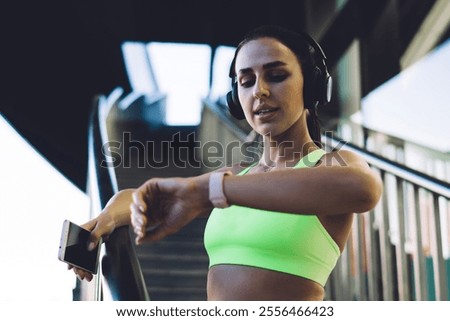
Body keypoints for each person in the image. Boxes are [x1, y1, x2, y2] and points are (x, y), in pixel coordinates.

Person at [70, 25, 382, 300]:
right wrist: (111, 213)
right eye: (246, 81)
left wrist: (208, 188)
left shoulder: (327, 166)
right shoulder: (235, 180)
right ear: (236, 98)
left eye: (276, 76)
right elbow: (149, 198)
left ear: (311, 86)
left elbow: (365, 189)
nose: (259, 91)